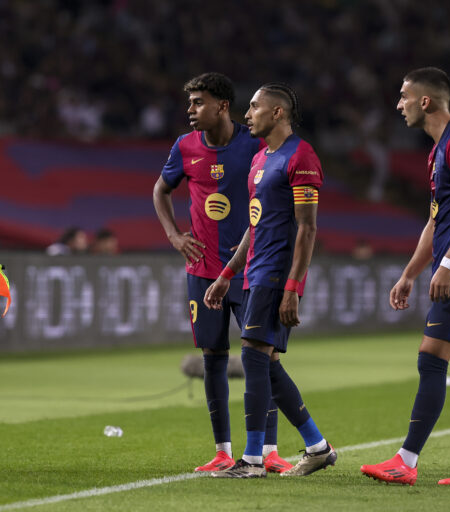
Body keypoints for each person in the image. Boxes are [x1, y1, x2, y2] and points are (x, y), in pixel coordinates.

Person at [360, 67, 450, 486]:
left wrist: (449, 265)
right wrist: (409, 274)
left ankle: (405, 461)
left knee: (430, 359)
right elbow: (436, 220)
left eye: (404, 96)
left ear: (425, 101)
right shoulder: (439, 150)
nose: (398, 104)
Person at [153, 73, 291, 474]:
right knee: (213, 357)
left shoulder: (255, 144)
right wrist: (174, 235)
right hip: (201, 269)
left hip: (250, 271)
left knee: (261, 357)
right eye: (190, 103)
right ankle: (222, 451)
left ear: (223, 106)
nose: (191, 110)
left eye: (199, 102)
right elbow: (161, 190)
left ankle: (268, 451)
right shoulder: (185, 146)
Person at [205, 83, 337, 478]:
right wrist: (227, 274)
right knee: (268, 363)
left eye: (254, 107)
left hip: (277, 272)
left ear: (277, 112)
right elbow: (255, 223)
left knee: (252, 354)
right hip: (254, 271)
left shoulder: (301, 156)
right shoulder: (261, 159)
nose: (247, 115)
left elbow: (307, 228)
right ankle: (318, 447)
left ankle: (252, 460)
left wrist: (293, 287)